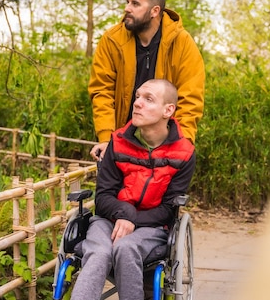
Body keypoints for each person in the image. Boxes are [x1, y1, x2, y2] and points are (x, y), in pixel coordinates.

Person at [70, 79, 196, 300]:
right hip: (107, 221)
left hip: (152, 227)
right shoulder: (117, 142)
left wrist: (132, 221)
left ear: (168, 110)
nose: (137, 103)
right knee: (99, 251)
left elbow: (168, 208)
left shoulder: (183, 153)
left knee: (126, 248)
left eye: (148, 99)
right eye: (137, 97)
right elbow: (103, 197)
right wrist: (124, 215)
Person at [88, 0, 205, 160]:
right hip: (120, 143)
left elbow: (190, 99)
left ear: (154, 11)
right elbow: (102, 92)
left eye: (135, 4)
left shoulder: (182, 43)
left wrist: (182, 143)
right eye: (127, 2)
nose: (127, 8)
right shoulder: (111, 40)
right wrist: (106, 138)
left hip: (164, 146)